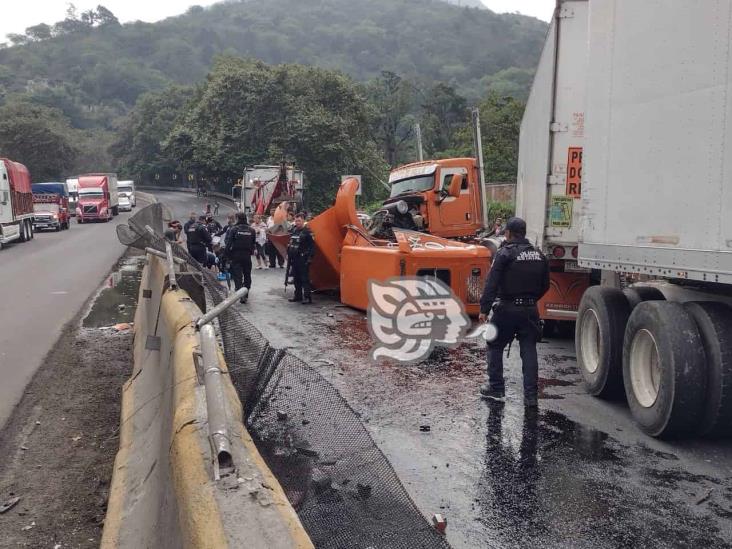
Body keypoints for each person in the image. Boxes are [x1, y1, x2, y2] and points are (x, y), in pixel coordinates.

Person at [478, 217, 550, 408]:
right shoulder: (539, 255)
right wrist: (531, 300)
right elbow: (545, 285)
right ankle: (531, 397)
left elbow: (491, 282)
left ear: (508, 233)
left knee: (494, 344)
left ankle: (496, 388)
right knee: (529, 349)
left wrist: (484, 309)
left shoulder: (504, 254)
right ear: (524, 233)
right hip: (530, 310)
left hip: (507, 308)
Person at [224, 212, 255, 304]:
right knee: (247, 274)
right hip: (247, 256)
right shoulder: (251, 230)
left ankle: (240, 293)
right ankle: (246, 292)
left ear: (237, 219)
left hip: (236, 255)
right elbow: (253, 244)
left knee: (238, 276)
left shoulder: (234, 229)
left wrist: (226, 255)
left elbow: (228, 244)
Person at [287, 212, 315, 304]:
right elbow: (291, 243)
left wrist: (310, 258)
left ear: (303, 221)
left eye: (299, 221)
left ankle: (307, 297)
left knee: (304, 279)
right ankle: (298, 295)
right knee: (296, 278)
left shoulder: (307, 232)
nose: (297, 222)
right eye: (296, 220)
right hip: (294, 258)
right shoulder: (294, 231)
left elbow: (312, 246)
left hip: (303, 258)